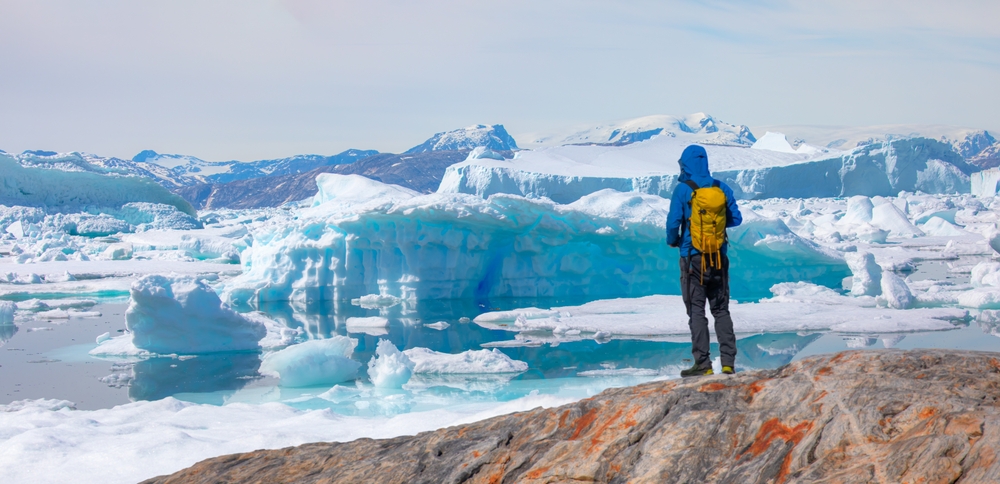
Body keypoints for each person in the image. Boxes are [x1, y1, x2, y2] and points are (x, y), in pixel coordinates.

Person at [666, 145, 742, 377]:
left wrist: (675, 240)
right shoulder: (721, 187)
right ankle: (728, 363)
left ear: (685, 164)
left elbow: (672, 223)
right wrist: (715, 226)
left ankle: (703, 364)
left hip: (692, 258)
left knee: (696, 311)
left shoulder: (683, 190)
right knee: (721, 310)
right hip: (718, 256)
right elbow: (736, 219)